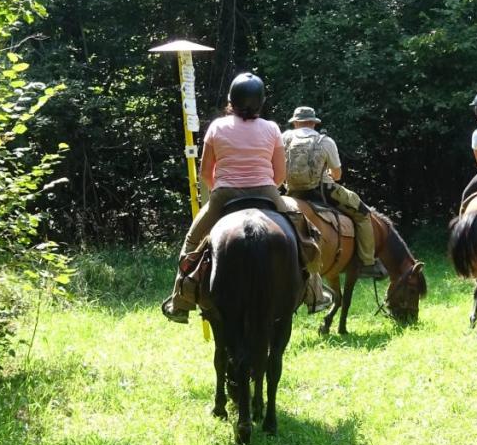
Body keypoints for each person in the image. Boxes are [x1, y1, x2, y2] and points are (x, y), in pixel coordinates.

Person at [161, 73, 317, 323]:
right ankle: (315, 292)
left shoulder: (217, 127)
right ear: (261, 101)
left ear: (231, 100)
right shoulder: (272, 128)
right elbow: (280, 174)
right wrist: (264, 188)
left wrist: (221, 189)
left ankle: (180, 300)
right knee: (304, 236)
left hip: (225, 194)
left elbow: (205, 172)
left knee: (192, 242)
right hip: (266, 191)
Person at [281, 106, 387, 280]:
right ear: (313, 123)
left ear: (296, 123)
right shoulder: (325, 141)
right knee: (363, 214)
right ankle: (367, 262)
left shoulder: (284, 138)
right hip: (322, 191)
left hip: (291, 192)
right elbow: (336, 175)